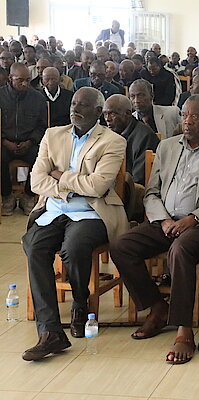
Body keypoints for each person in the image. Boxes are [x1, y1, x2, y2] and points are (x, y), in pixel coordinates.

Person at [110, 95, 199, 364]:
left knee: (179, 251)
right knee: (121, 246)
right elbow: (151, 192)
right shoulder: (166, 147)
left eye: (195, 116)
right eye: (184, 115)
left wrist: (193, 218)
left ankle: (184, 329)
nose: (187, 121)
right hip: (165, 221)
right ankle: (158, 307)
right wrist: (163, 220)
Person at [21, 87, 128, 361]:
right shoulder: (52, 135)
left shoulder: (113, 141)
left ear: (98, 111)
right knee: (34, 246)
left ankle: (81, 301)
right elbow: (36, 181)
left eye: (82, 105)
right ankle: (50, 331)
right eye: (73, 104)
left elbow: (98, 186)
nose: (74, 109)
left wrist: (59, 175)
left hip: (92, 212)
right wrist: (69, 188)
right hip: (54, 209)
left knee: (74, 247)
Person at [1, 63, 48, 216]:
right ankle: (7, 195)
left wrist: (30, 142)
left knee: (41, 159)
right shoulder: (1, 96)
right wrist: (4, 141)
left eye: (27, 80)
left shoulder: (38, 98)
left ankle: (28, 195)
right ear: (10, 78)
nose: (24, 84)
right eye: (20, 80)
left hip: (29, 143)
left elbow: (42, 126)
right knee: (0, 158)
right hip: (4, 142)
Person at [102, 94, 159, 184]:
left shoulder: (145, 137)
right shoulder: (107, 134)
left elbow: (138, 180)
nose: (107, 119)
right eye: (105, 114)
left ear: (128, 113)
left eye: (112, 114)